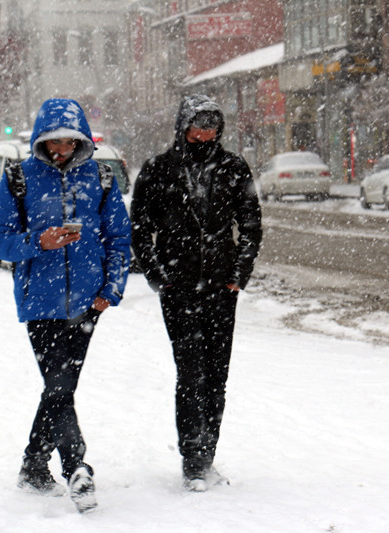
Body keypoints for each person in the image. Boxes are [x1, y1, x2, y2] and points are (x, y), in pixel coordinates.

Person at [0, 98, 131, 513]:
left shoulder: (101, 177)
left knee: (59, 388)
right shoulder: (19, 177)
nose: (62, 149)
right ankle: (76, 468)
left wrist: (112, 289)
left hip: (88, 304)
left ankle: (34, 465)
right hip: (40, 302)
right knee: (60, 386)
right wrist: (39, 242)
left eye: (70, 142)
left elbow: (119, 239)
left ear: (82, 140)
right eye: (54, 142)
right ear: (42, 141)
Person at [130, 94, 262, 492]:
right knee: (190, 373)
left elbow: (251, 226)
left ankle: (209, 454)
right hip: (179, 289)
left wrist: (239, 274)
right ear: (183, 126)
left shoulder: (234, 168)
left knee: (216, 376)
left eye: (211, 126)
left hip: (222, 289)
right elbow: (140, 228)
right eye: (197, 125)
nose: (204, 134)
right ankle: (193, 459)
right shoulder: (158, 170)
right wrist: (159, 276)